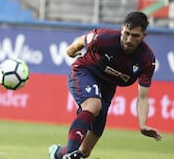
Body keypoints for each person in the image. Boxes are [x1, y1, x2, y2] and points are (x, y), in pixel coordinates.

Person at [49, 11, 162, 159]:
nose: (128, 39)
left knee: (85, 151)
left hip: (108, 87)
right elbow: (81, 41)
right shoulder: (103, 37)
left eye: (135, 36)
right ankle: (69, 156)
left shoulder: (147, 59)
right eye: (126, 33)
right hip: (85, 72)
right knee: (94, 105)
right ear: (122, 29)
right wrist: (70, 51)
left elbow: (143, 96)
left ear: (144, 36)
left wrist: (142, 124)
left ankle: (57, 153)